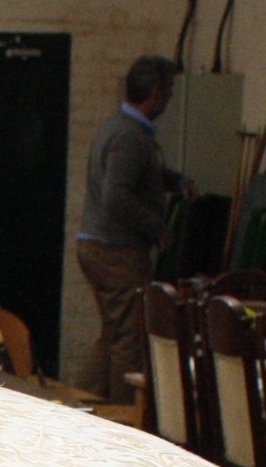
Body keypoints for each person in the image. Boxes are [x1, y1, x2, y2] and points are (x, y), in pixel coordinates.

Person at [75, 54, 195, 401]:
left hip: (97, 244)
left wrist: (177, 181)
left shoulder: (122, 128)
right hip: (117, 251)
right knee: (130, 337)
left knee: (113, 334)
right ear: (156, 93)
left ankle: (81, 402)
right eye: (170, 90)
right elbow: (117, 196)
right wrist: (157, 228)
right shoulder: (129, 137)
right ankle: (124, 419)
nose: (171, 99)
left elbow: (141, 175)